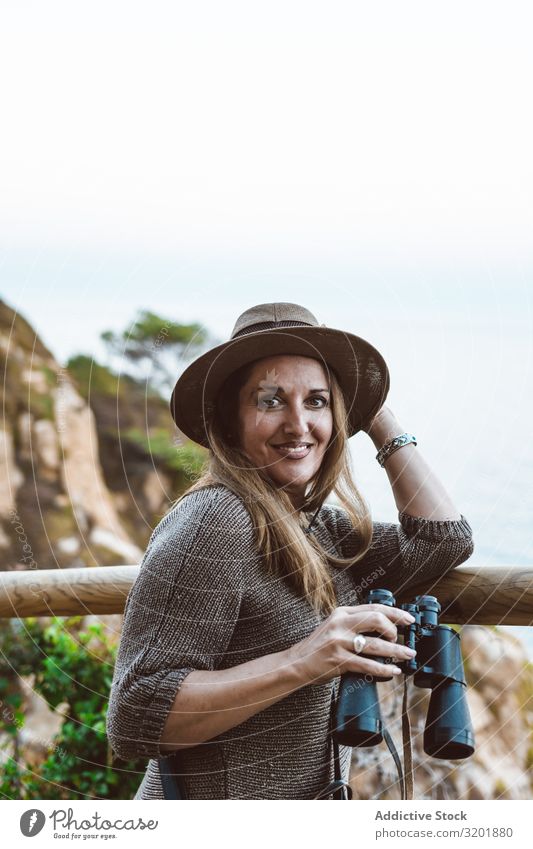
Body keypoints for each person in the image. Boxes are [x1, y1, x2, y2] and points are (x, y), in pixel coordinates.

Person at [106, 302, 474, 800]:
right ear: (231, 421)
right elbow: (135, 716)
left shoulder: (316, 527)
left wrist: (373, 412)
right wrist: (307, 659)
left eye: (317, 402)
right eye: (271, 400)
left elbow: (444, 539)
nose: (299, 425)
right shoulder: (217, 520)